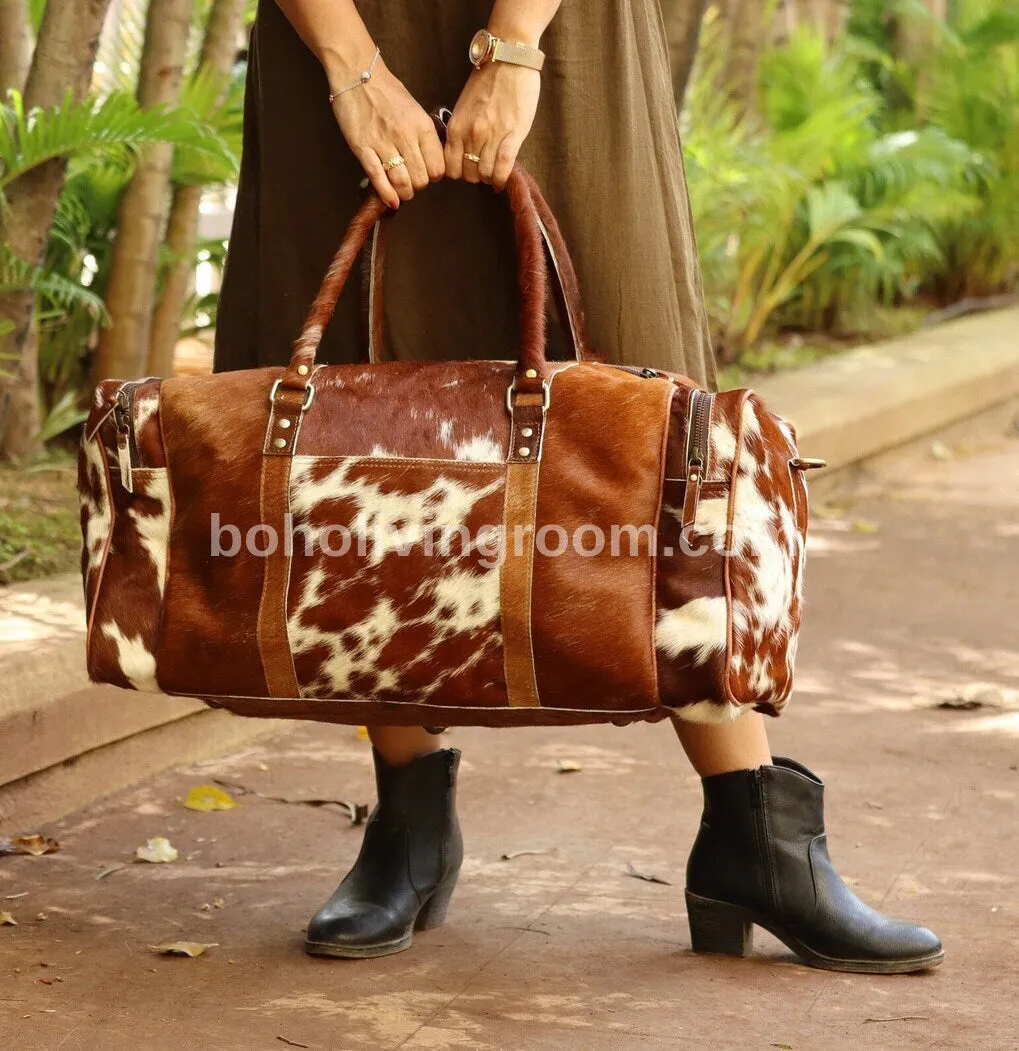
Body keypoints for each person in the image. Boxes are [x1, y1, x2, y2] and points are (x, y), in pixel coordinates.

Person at [213, 0, 943, 973]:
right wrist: (347, 61)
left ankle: (752, 833)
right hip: (337, 30)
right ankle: (408, 821)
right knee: (355, 413)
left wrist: (515, 46)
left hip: (566, 35)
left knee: (644, 418)